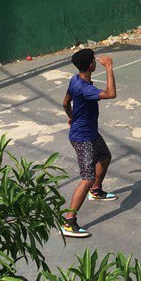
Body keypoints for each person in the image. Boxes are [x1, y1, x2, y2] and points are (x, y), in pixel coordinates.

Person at [61, 48, 118, 239]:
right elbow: (111, 94)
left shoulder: (75, 79)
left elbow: (65, 102)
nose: (97, 61)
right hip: (82, 138)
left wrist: (72, 117)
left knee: (105, 157)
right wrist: (109, 67)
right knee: (87, 177)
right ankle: (69, 222)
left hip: (89, 132)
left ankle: (96, 191)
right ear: (91, 65)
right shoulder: (85, 88)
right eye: (94, 60)